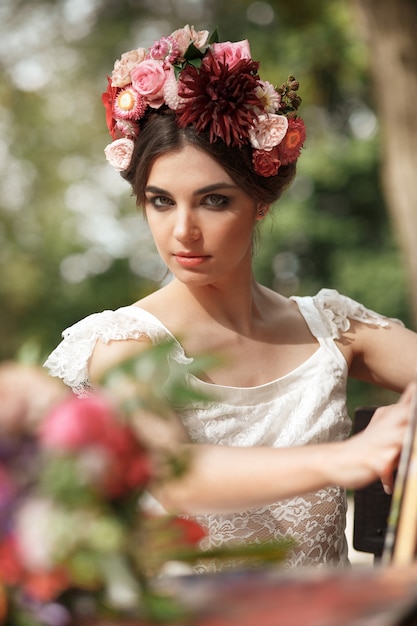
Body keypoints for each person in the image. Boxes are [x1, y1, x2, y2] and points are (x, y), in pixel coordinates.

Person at [44, 25, 417, 570]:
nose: (183, 232)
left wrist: (407, 417)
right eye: (161, 202)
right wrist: (351, 457)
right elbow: (175, 474)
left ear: (261, 201)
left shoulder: (331, 328)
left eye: (213, 201)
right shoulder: (122, 346)